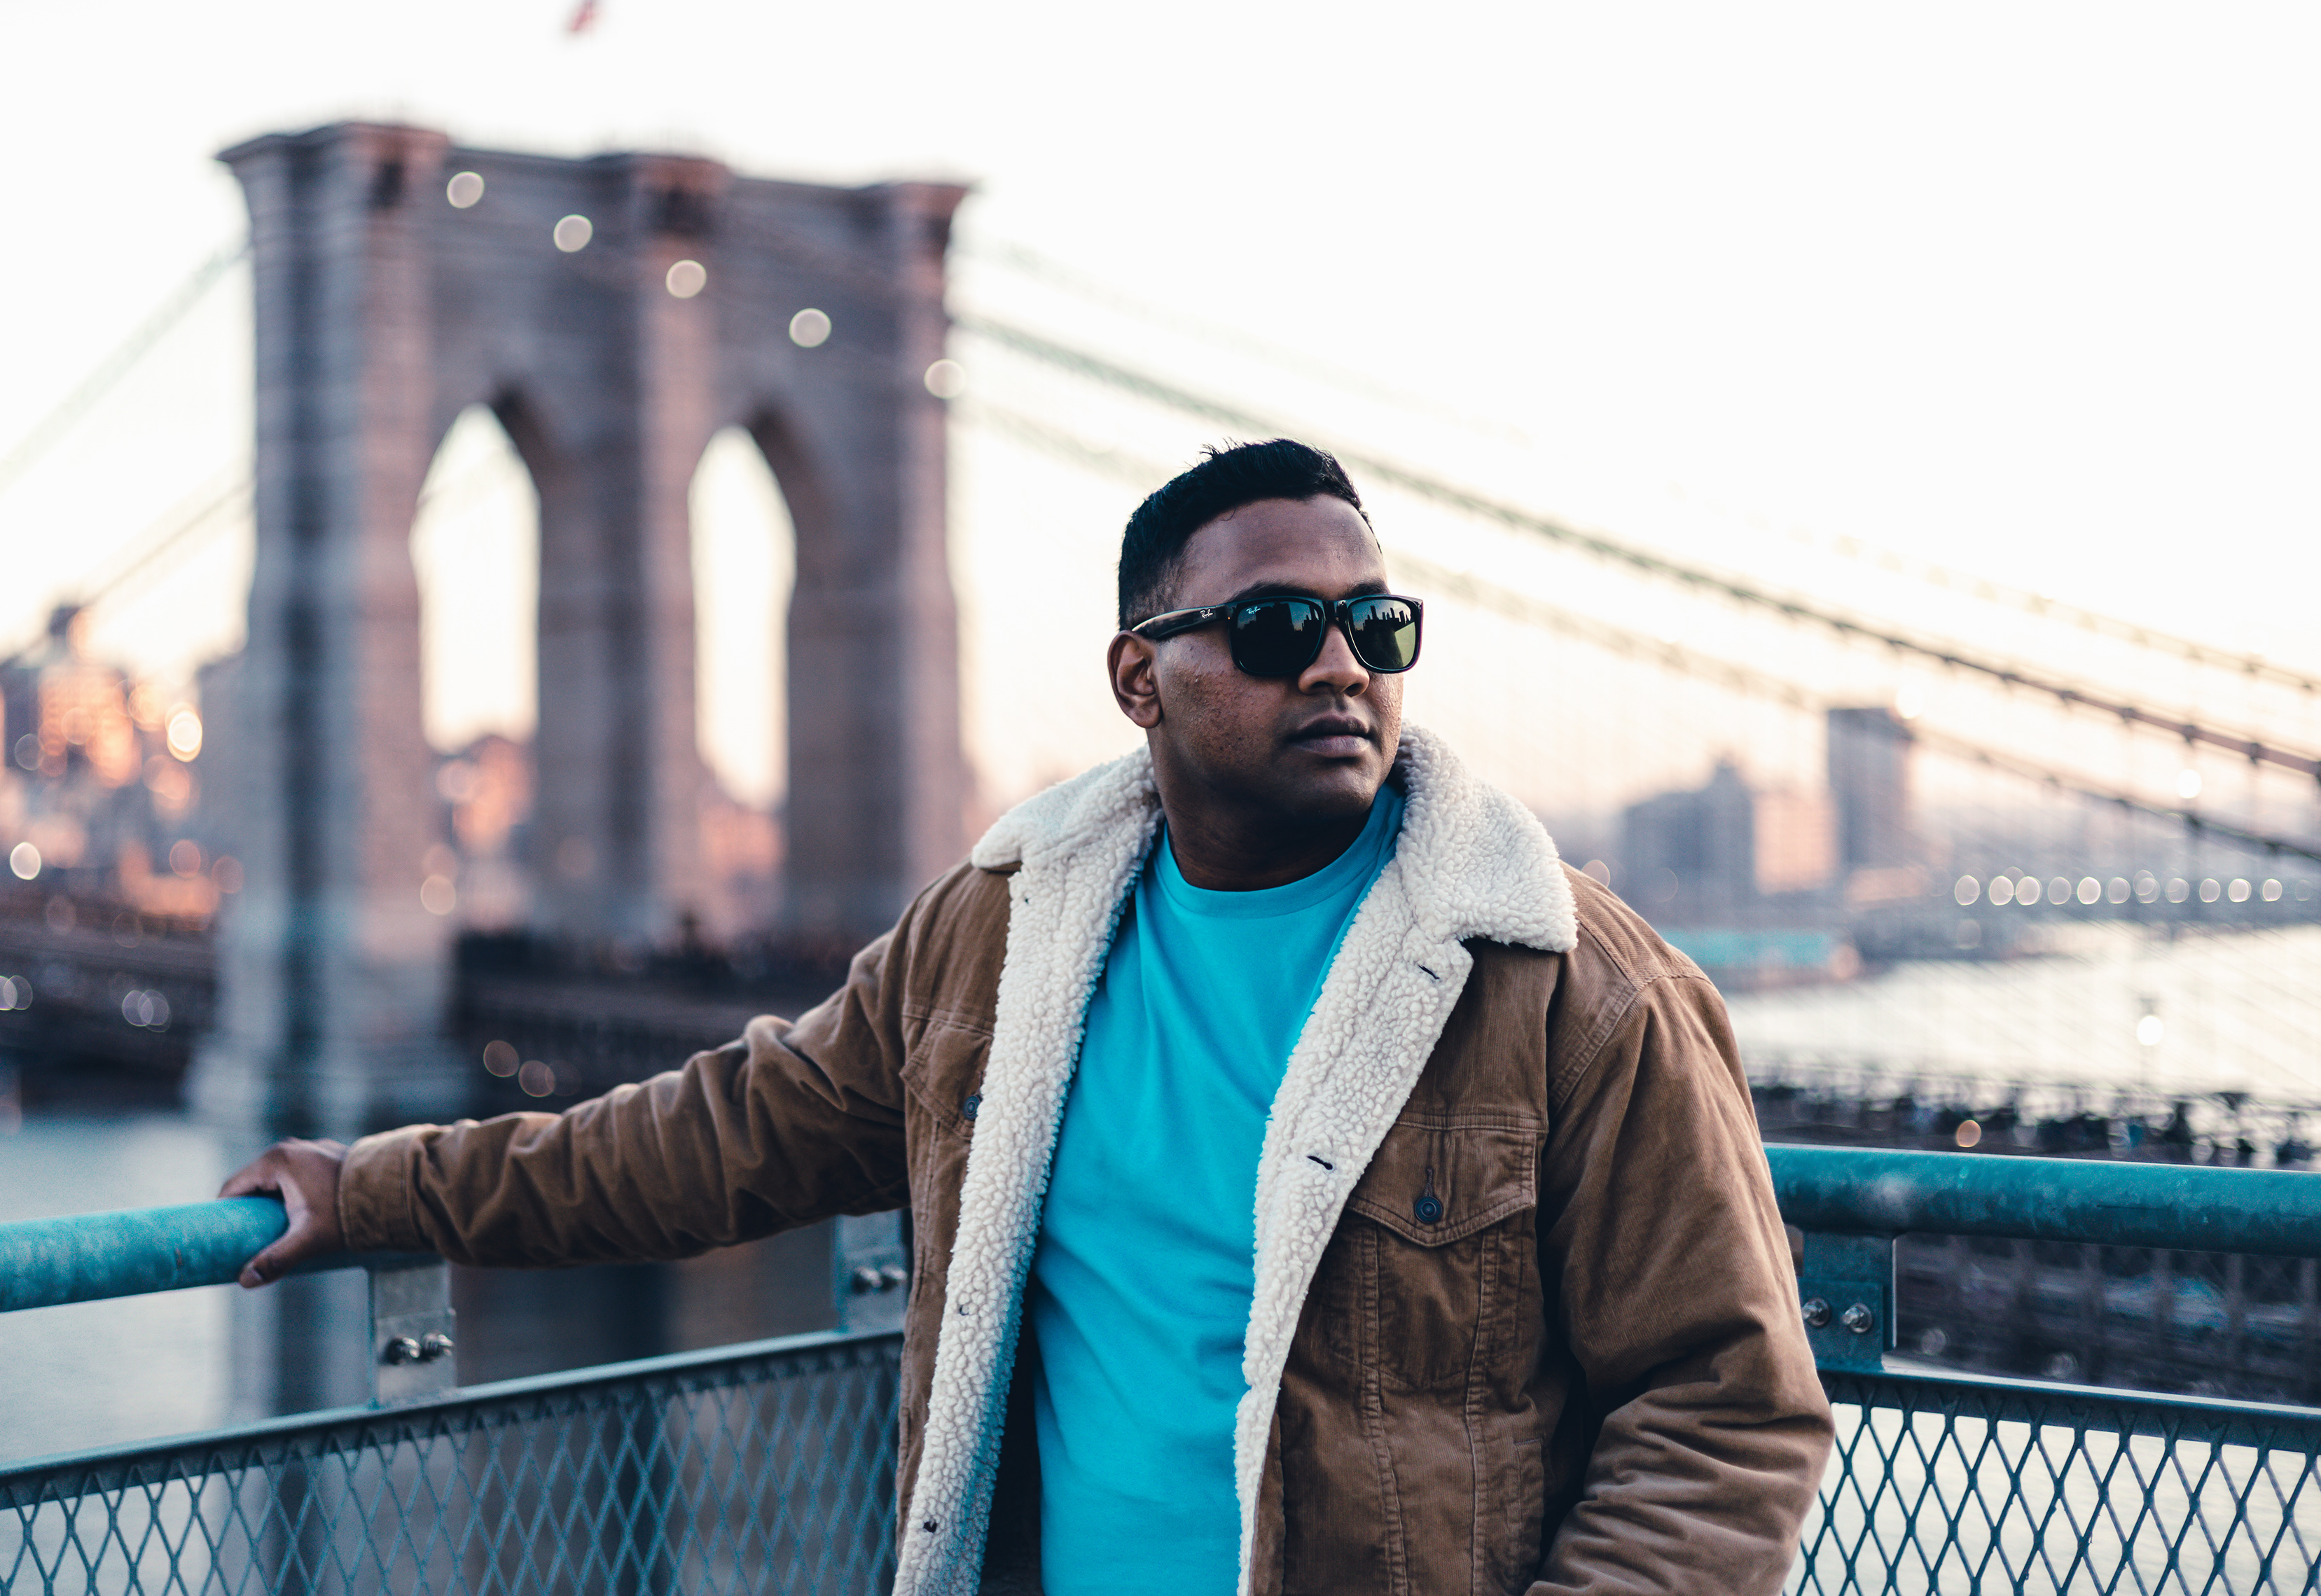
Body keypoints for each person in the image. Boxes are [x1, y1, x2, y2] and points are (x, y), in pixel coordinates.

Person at [223, 438, 1833, 1595]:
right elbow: (717, 1139)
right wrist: (379, 1189)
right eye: (1278, 628)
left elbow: (1725, 1410)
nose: (1340, 663)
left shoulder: (1567, 982)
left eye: (1376, 626)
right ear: (1141, 678)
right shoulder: (1000, 936)